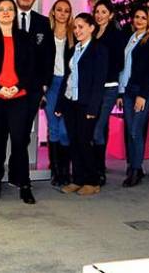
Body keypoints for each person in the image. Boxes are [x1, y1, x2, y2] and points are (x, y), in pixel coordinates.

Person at [0, 0, 36, 204]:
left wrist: (17, 87)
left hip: (18, 96)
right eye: (1, 9)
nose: (5, 12)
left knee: (20, 141)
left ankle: (25, 184)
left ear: (14, 13)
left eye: (9, 8)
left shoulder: (24, 37)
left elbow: (31, 67)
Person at [55, 13, 108, 196]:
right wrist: (60, 104)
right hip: (70, 101)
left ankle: (92, 181)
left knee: (85, 142)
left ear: (91, 28)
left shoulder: (99, 49)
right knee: (74, 141)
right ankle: (78, 179)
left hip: (87, 104)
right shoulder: (73, 49)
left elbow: (99, 81)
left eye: (81, 27)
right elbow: (67, 78)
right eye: (75, 27)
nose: (77, 30)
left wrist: (93, 107)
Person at [14, 0, 55, 186]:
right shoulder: (6, 17)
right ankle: (5, 174)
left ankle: (19, 175)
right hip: (9, 87)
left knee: (24, 133)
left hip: (33, 88)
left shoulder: (43, 22)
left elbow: (49, 54)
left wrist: (45, 84)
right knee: (11, 131)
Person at [117, 6, 149, 187]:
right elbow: (124, 67)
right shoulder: (131, 38)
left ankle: (136, 169)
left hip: (142, 91)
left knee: (136, 130)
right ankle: (134, 167)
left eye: (143, 17)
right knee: (130, 131)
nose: (139, 20)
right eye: (136, 17)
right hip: (127, 90)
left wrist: (142, 95)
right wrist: (120, 92)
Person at [91, 0, 126, 185]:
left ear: (111, 15)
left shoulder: (116, 35)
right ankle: (93, 167)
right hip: (91, 88)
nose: (99, 15)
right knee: (91, 127)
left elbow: (119, 63)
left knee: (98, 128)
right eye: (97, 11)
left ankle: (99, 170)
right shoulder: (91, 31)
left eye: (104, 12)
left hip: (108, 87)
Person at [45, 0, 73, 187]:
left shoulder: (74, 35)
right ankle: (56, 171)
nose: (62, 13)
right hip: (51, 85)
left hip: (68, 85)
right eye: (59, 10)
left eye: (66, 10)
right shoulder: (46, 34)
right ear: (53, 12)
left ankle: (65, 170)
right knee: (53, 128)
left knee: (65, 129)